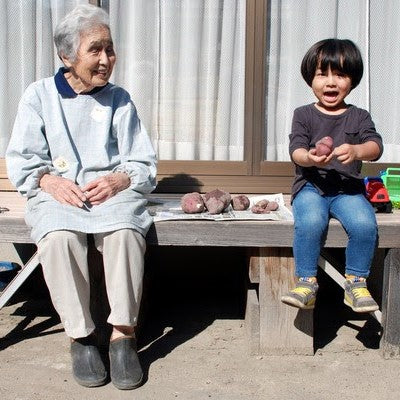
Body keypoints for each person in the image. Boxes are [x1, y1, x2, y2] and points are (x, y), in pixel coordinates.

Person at [5, 4, 157, 390]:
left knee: (125, 232)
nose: (106, 59)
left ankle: (123, 334)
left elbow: (140, 160)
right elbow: (24, 158)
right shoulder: (39, 95)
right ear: (67, 56)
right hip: (60, 190)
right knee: (58, 237)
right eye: (96, 50)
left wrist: (121, 179)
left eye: (110, 49)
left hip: (110, 192)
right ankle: (81, 336)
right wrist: (49, 181)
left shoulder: (119, 99)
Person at [281, 38, 383, 313]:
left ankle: (356, 282)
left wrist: (357, 149)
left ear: (352, 80)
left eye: (340, 74)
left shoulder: (359, 116)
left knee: (365, 225)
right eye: (322, 74)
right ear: (310, 79)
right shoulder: (303, 114)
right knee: (311, 222)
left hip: (348, 190)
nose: (330, 82)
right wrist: (310, 157)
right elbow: (296, 151)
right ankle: (306, 283)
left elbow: (375, 147)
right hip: (311, 187)